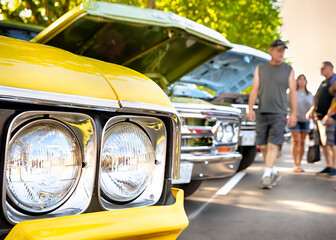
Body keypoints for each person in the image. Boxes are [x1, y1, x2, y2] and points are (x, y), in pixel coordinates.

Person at [248, 39, 297, 189]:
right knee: (262, 145)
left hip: (279, 113)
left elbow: (293, 93)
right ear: (270, 50)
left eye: (283, 50)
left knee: (273, 144)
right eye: (279, 50)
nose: (281, 53)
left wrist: (294, 113)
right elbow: (255, 89)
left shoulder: (288, 70)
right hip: (262, 111)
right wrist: (250, 108)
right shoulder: (260, 68)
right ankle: (273, 170)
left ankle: (267, 175)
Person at [306, 61, 336, 176]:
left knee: (332, 143)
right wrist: (311, 111)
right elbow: (317, 99)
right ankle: (328, 165)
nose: (321, 71)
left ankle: (334, 166)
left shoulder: (334, 79)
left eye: (323, 68)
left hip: (329, 118)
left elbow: (334, 100)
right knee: (324, 143)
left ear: (330, 67)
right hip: (319, 117)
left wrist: (330, 115)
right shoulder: (323, 82)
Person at [289, 74, 313, 172]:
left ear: (306, 82)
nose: (302, 81)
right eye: (300, 79)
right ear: (296, 81)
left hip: (306, 120)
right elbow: (287, 105)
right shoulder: (292, 93)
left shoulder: (310, 94)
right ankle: (295, 164)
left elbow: (313, 106)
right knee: (296, 141)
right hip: (295, 120)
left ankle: (299, 163)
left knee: (302, 142)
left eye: (304, 79)